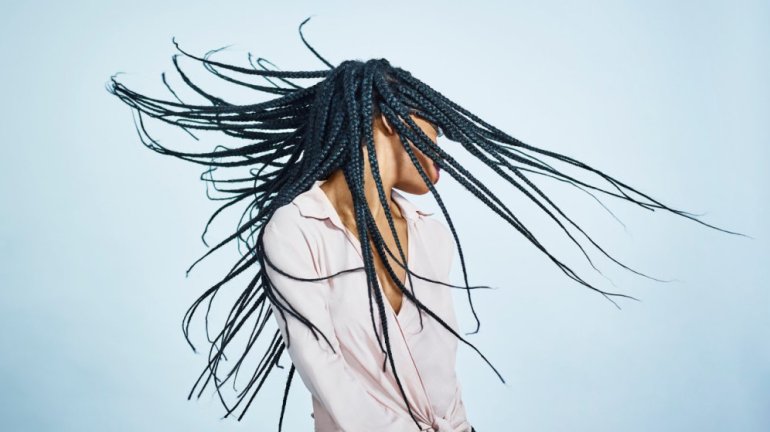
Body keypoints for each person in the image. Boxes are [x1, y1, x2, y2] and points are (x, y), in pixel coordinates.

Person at [106, 17, 741, 432]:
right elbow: (324, 372)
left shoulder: (428, 230)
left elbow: (443, 373)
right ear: (389, 120)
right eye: (433, 128)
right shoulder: (295, 229)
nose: (442, 146)